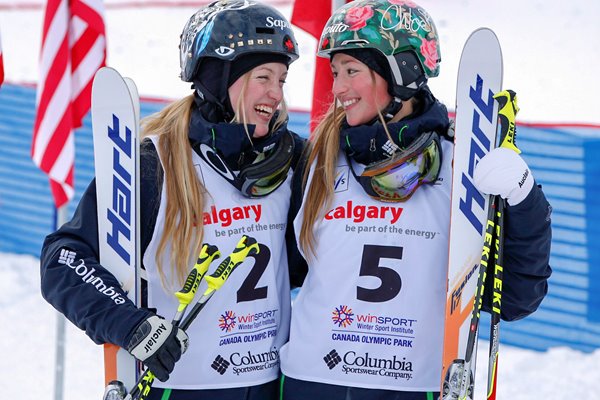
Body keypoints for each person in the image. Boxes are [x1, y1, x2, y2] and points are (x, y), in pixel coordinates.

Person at [279, 1, 552, 399]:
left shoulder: (463, 166)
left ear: (402, 71)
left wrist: (525, 200)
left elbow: (515, 298)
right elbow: (272, 268)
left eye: (352, 71)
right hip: (316, 383)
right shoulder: (316, 160)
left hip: (413, 385)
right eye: (335, 72)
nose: (337, 89)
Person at [40, 1, 304, 399]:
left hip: (268, 385)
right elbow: (63, 259)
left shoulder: (290, 160)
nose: (276, 94)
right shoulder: (153, 164)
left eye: (282, 79)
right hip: (179, 387)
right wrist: (132, 325)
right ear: (216, 77)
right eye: (263, 76)